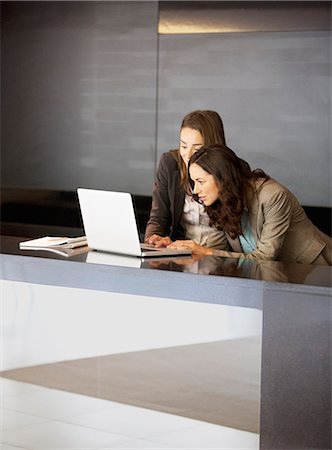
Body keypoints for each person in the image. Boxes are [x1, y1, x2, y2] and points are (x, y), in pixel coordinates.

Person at [168, 144, 332, 265]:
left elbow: (265, 257)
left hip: (314, 271)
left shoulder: (273, 196)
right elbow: (228, 250)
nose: (195, 190)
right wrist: (171, 245)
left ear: (222, 178)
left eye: (200, 182)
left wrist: (206, 251)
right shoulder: (223, 201)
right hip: (275, 277)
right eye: (193, 182)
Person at [145, 110, 228, 249]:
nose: (187, 155)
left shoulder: (231, 168)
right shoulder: (170, 164)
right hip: (182, 252)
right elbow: (158, 217)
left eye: (197, 148)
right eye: (183, 146)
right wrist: (154, 239)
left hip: (221, 256)